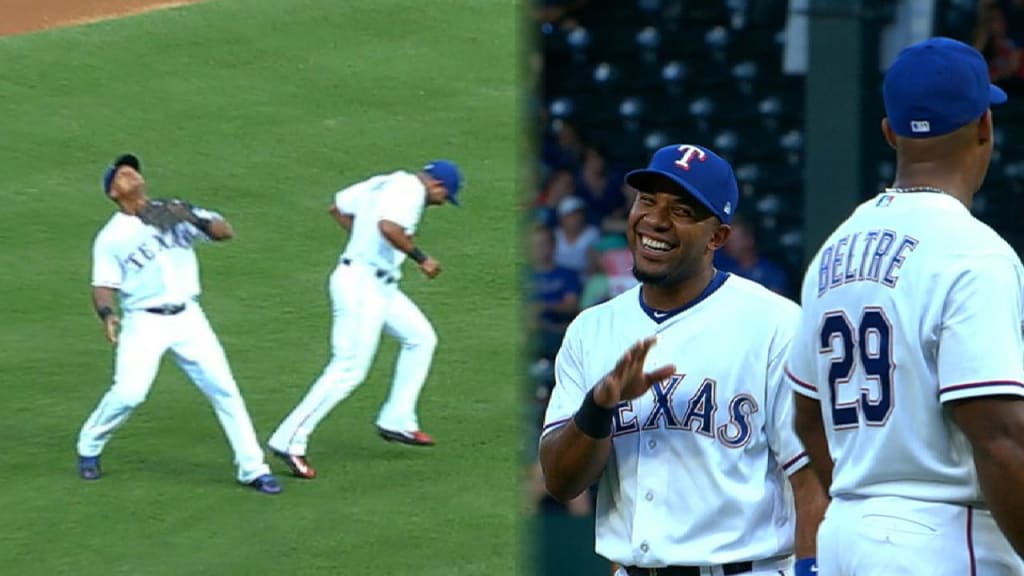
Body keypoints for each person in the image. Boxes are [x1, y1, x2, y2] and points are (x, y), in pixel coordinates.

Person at [785, 37, 1024, 575]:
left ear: (890, 133)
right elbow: (1001, 439)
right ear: (985, 125)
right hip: (942, 538)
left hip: (847, 531)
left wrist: (869, 503)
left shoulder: (832, 251)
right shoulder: (975, 253)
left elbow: (806, 416)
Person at [539, 143, 827, 576]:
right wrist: (597, 410)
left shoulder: (774, 324)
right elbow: (561, 483)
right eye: (647, 200)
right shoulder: (591, 329)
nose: (655, 220)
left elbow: (814, 481)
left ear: (718, 236)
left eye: (682, 210)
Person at [77, 153, 281, 495]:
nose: (132, 175)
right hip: (144, 322)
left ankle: (253, 469)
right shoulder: (111, 237)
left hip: (189, 318)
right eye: (123, 174)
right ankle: (89, 445)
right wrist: (108, 315)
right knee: (129, 393)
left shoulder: (171, 210)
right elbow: (102, 285)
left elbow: (224, 233)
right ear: (113, 192)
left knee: (225, 390)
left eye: (134, 170)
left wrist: (189, 215)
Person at [268, 160, 463, 479]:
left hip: (378, 285)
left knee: (420, 338)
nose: (442, 204)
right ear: (438, 185)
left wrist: (363, 239)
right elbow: (389, 227)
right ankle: (289, 440)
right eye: (445, 197)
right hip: (362, 286)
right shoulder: (411, 191)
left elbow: (338, 207)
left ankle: (397, 419)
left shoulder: (386, 181)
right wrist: (422, 259)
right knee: (348, 369)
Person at [714, 213, 789, 296]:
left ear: (749, 240)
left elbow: (775, 304)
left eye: (734, 240)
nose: (727, 244)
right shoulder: (721, 268)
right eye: (727, 240)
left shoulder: (771, 273)